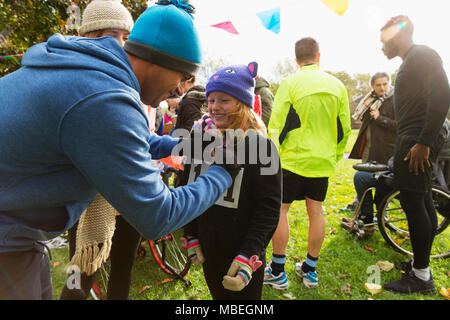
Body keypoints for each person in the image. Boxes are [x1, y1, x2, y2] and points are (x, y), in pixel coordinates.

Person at [0, 1, 233, 300]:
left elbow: (137, 140)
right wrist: (223, 172)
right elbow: (158, 215)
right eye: (182, 76)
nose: (179, 90)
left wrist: (191, 147)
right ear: (157, 61)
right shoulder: (104, 97)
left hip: (17, 237)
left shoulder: (87, 71)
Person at [59, 0, 143, 300]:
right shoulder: (72, 79)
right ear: (89, 36)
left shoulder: (134, 81)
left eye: (126, 38)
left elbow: (141, 137)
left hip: (130, 196)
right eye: (112, 35)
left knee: (122, 272)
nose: (121, 46)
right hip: (87, 199)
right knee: (77, 276)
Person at [180, 62, 282, 300]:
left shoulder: (261, 147)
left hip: (243, 251)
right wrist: (191, 233)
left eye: (224, 100)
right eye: (211, 100)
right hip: (209, 247)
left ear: (243, 103)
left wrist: (250, 253)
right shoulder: (199, 139)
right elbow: (187, 187)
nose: (214, 107)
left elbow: (269, 207)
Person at [264, 37, 351, 290]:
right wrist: (332, 157)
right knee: (316, 211)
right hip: (321, 161)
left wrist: (272, 159)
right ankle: (310, 270)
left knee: (281, 210)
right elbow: (344, 129)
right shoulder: (338, 86)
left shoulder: (290, 82)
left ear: (296, 59)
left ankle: (278, 271)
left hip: (291, 159)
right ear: (319, 56)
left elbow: (276, 126)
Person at [379, 15, 450, 295]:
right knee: (421, 200)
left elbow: (442, 94)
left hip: (417, 137)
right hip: (414, 136)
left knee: (412, 201)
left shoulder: (421, 54)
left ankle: (421, 277)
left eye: (382, 39)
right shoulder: (412, 60)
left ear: (396, 34)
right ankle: (420, 266)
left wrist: (423, 142)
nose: (381, 47)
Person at [341, 72, 396, 235]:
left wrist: (380, 118)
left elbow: (400, 126)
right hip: (369, 149)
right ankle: (365, 218)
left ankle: (377, 219)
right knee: (362, 181)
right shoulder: (369, 100)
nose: (382, 88)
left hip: (386, 152)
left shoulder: (395, 101)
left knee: (378, 185)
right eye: (378, 85)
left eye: (385, 84)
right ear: (372, 86)